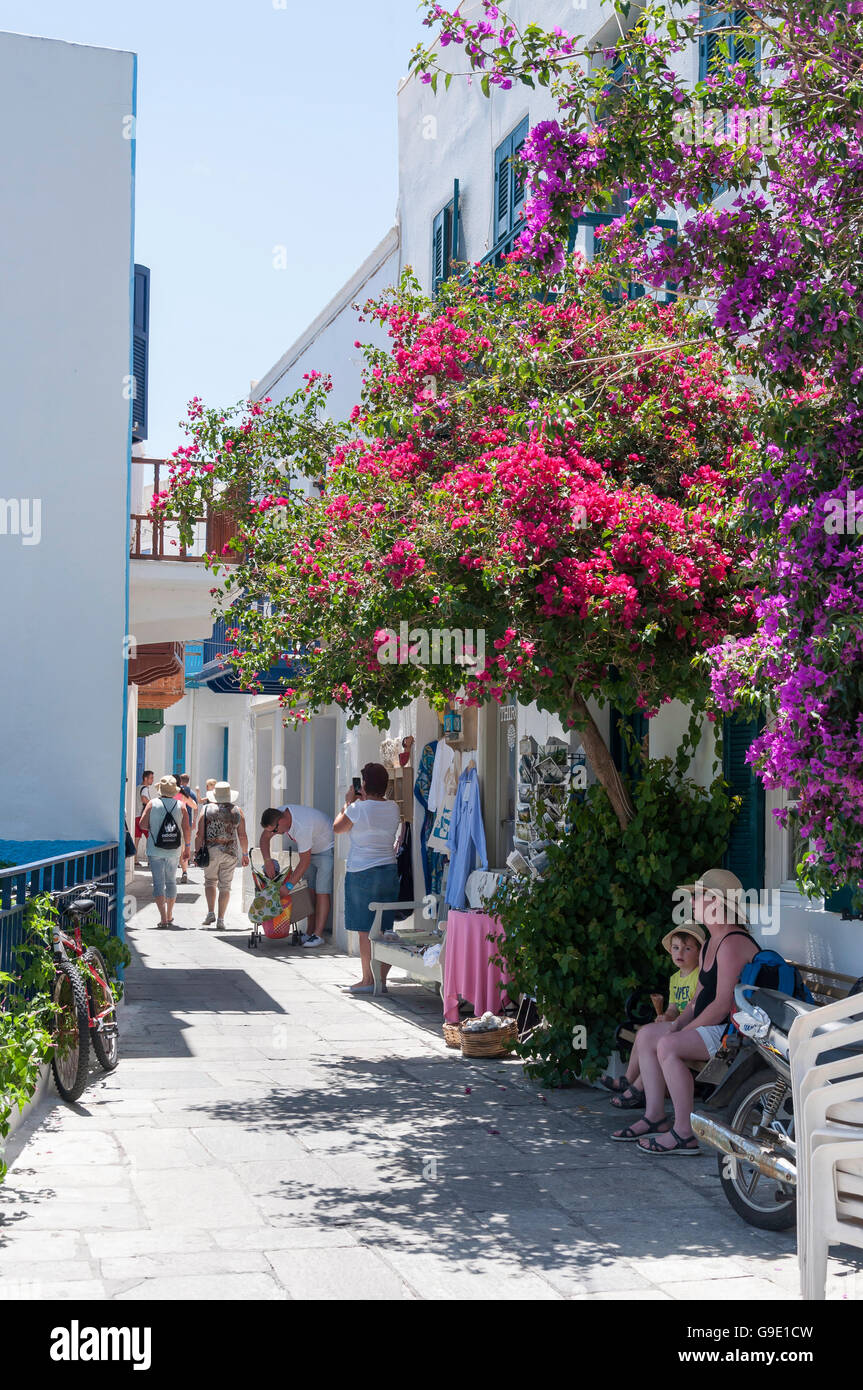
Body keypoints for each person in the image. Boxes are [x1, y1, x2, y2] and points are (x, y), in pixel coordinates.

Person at [612, 869, 757, 1154]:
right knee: (647, 1035)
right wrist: (677, 1025)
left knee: (668, 1045)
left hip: (732, 1032)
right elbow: (697, 1001)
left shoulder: (732, 943)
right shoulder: (710, 943)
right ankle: (654, 1116)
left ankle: (683, 1133)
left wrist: (680, 1033)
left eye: (698, 896)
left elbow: (720, 1007)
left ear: (716, 903)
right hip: (711, 1026)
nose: (691, 901)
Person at [605, 925, 704, 1110]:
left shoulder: (699, 975)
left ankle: (634, 1088)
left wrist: (674, 1021)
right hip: (676, 1024)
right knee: (645, 1032)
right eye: (675, 948)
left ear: (699, 952)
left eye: (687, 948)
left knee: (653, 1041)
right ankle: (629, 1079)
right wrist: (665, 1016)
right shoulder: (675, 978)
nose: (679, 952)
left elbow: (694, 1008)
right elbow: (673, 1008)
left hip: (690, 1027)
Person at [333, 762, 401, 993]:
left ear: (364, 784)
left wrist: (347, 802)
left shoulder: (356, 809)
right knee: (383, 927)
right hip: (388, 870)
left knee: (365, 929)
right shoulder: (393, 807)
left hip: (362, 871)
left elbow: (338, 828)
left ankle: (367, 980)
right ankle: (380, 977)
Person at [259, 803, 335, 947]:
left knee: (322, 892)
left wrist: (287, 887)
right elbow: (264, 838)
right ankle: (309, 931)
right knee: (310, 891)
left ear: (281, 822)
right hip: (310, 850)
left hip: (325, 849)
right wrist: (267, 860)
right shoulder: (279, 815)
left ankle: (318, 935)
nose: (275, 833)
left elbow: (304, 862)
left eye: (275, 830)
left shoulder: (302, 826)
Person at [138, 775, 191, 929]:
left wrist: (154, 827)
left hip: (155, 848)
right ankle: (169, 915)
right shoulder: (181, 805)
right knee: (171, 881)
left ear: (160, 790)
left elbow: (142, 824)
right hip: (174, 849)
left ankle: (162, 918)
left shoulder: (152, 804)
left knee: (158, 883)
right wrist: (187, 848)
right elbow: (187, 828)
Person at [196, 782, 250, 929]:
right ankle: (220, 919)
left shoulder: (206, 809)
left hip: (211, 851)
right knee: (225, 886)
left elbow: (199, 834)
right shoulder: (237, 811)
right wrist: (245, 853)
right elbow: (243, 836)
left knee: (210, 881)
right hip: (230, 852)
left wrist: (196, 853)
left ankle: (210, 912)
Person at [176, 776, 198, 884]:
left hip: (169, 825)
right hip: (184, 823)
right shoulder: (184, 794)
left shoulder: (164, 795)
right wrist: (194, 820)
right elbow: (195, 806)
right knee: (183, 849)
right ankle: (184, 872)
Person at [135, 770, 154, 867]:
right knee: (150, 838)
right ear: (145, 778)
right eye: (151, 778)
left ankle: (134, 860)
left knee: (136, 839)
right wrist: (152, 804)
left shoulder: (137, 787)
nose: (152, 780)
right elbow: (143, 798)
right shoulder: (145, 789)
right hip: (143, 817)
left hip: (136, 816)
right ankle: (150, 860)